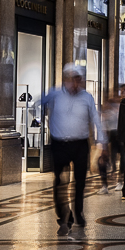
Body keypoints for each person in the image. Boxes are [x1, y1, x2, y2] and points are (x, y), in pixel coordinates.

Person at [42, 64, 104, 235]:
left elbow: (95, 119)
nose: (76, 83)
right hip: (59, 143)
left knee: (80, 181)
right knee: (60, 181)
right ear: (65, 80)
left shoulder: (87, 97)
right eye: (72, 79)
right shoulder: (54, 94)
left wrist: (102, 142)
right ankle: (64, 217)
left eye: (78, 79)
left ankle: (78, 212)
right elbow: (37, 105)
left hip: (80, 144)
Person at [99, 89, 120, 187]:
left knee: (121, 158)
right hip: (109, 136)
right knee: (104, 159)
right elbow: (103, 126)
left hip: (118, 135)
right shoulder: (106, 110)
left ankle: (119, 180)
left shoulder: (118, 108)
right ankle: (105, 184)